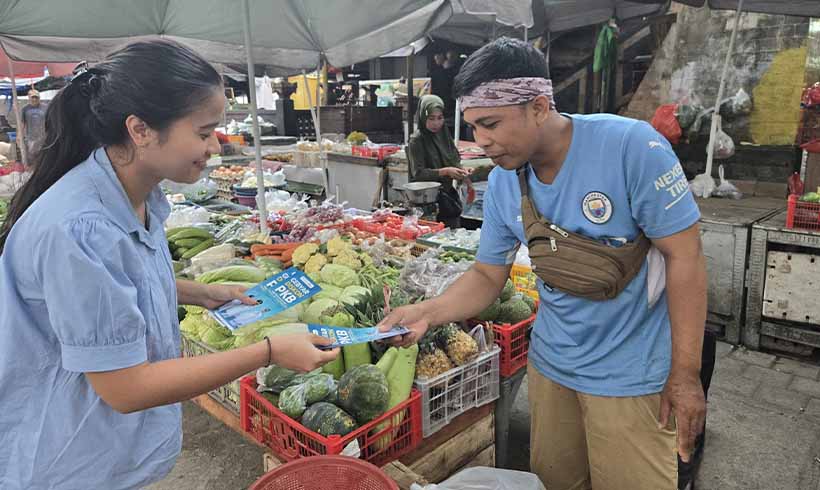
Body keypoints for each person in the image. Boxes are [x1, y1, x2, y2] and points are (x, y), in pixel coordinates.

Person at [0, 40, 339, 490]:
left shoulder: (134, 195)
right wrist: (269, 351)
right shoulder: (79, 228)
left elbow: (114, 282)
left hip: (110, 449)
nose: (216, 146)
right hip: (67, 459)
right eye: (203, 132)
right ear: (140, 129)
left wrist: (199, 292)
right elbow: (127, 388)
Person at [381, 38, 707, 490]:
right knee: (555, 483)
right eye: (474, 127)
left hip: (631, 374)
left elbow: (685, 257)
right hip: (551, 366)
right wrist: (426, 312)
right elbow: (486, 275)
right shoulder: (501, 183)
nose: (482, 142)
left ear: (538, 106)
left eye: (490, 124)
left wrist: (686, 375)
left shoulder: (632, 148)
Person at [407, 95, 471, 229]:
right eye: (431, 118)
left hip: (447, 198)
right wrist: (445, 171)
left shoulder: (443, 134)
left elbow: (453, 158)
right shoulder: (417, 140)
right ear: (423, 117)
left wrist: (462, 170)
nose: (436, 123)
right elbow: (418, 174)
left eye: (440, 118)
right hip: (426, 203)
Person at [21, 89, 47, 164]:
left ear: (39, 98)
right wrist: (19, 136)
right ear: (29, 98)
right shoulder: (25, 109)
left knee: (43, 156)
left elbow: (49, 121)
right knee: (31, 156)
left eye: (36, 97)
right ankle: (33, 170)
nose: (34, 99)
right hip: (31, 138)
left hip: (43, 137)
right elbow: (22, 123)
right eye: (32, 97)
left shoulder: (46, 107)